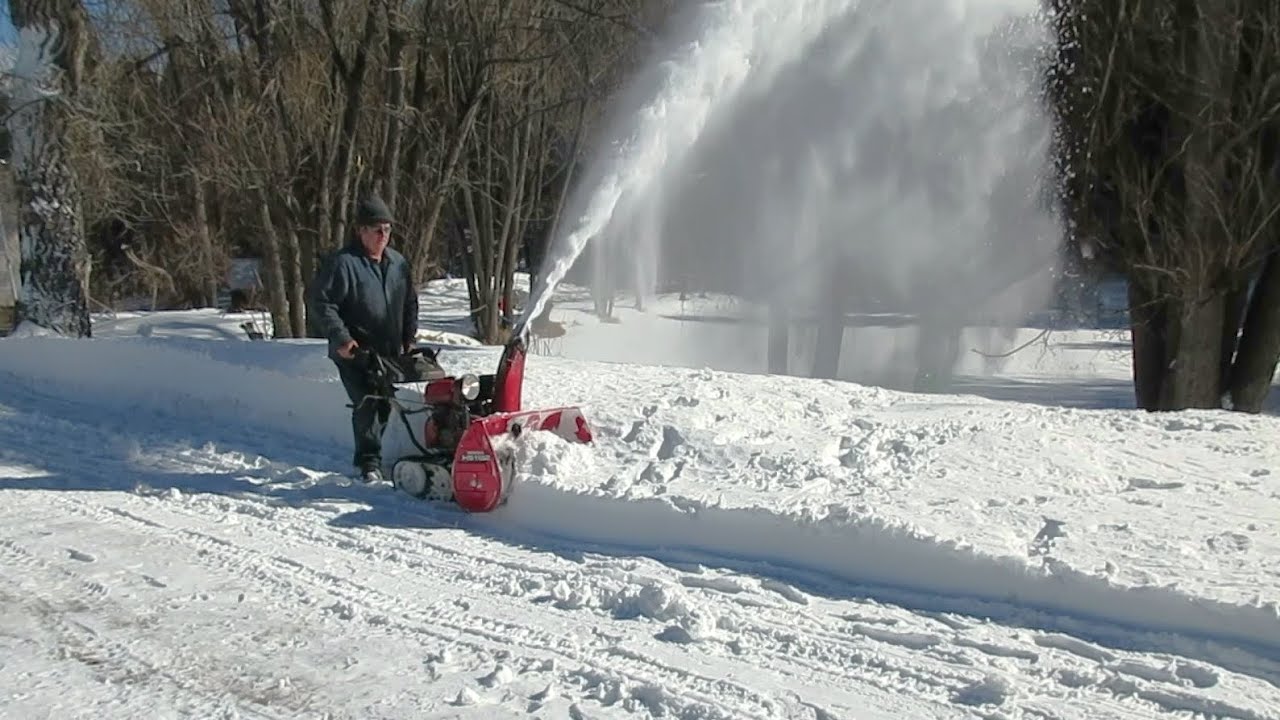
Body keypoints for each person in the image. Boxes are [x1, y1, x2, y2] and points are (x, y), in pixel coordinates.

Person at [307, 194, 420, 483]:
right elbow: (321, 302)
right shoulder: (343, 264)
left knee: (385, 402)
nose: (383, 235)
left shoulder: (398, 264)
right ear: (361, 231)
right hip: (354, 350)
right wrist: (342, 339)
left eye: (387, 229)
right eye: (377, 229)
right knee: (368, 402)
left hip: (388, 349)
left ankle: (391, 449)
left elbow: (409, 302)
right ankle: (368, 462)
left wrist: (409, 337)